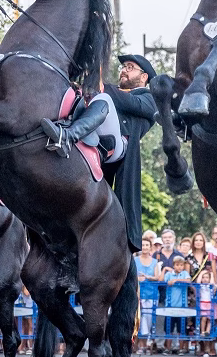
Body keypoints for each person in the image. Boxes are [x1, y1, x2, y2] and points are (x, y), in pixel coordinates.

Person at [38, 54, 158, 251]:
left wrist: (98, 85)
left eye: (130, 67)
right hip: (97, 142)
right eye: (123, 67)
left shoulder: (149, 99)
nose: (124, 70)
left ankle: (67, 136)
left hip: (118, 147)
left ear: (144, 77)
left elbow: (128, 103)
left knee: (103, 98)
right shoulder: (114, 93)